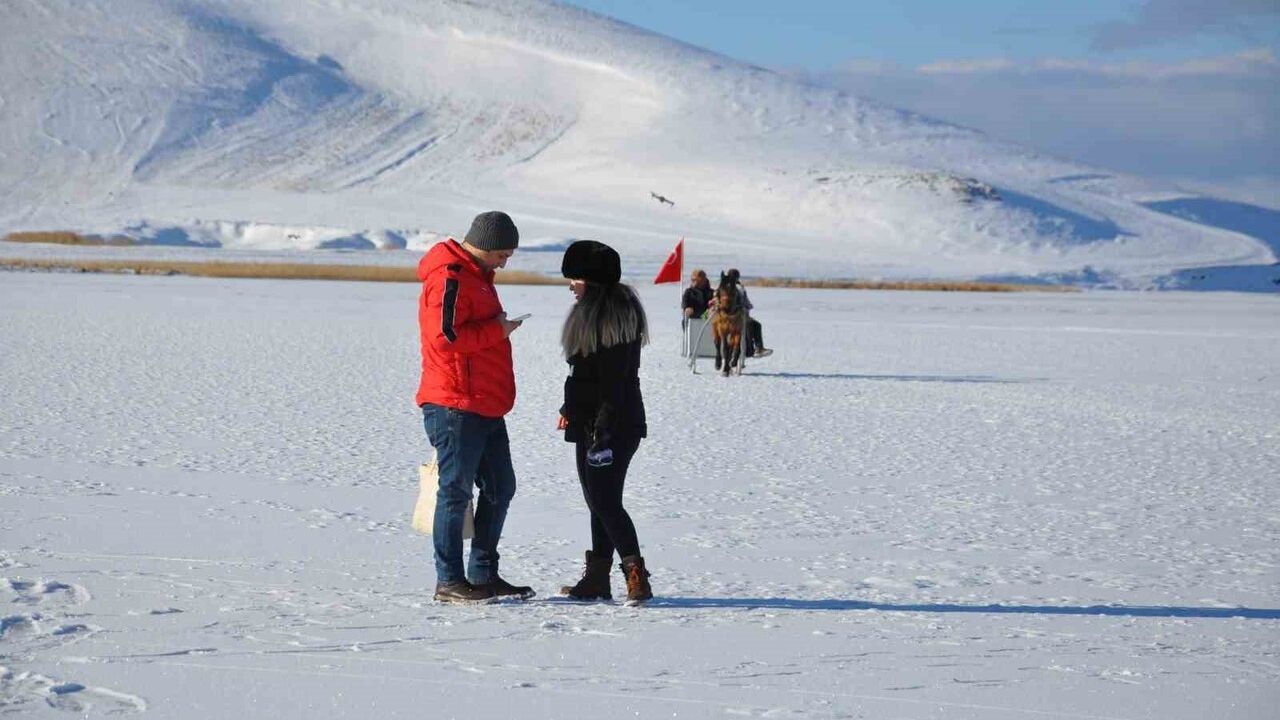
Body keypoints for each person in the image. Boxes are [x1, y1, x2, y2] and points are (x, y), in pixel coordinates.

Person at [416, 210, 533, 604]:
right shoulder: (450, 276)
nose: (505, 261)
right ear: (485, 245)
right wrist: (497, 330)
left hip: (484, 402)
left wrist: (497, 325)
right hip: (454, 403)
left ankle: (482, 573)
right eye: (503, 253)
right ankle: (448, 580)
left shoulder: (478, 278)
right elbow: (445, 337)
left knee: (501, 487)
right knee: (454, 491)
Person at [555, 240, 654, 605]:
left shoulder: (615, 319)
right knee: (597, 499)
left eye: (576, 278)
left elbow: (614, 385)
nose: (571, 285)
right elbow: (583, 376)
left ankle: (635, 574)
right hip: (590, 423)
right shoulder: (590, 314)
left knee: (605, 500)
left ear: (593, 282)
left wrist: (603, 430)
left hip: (614, 425)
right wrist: (570, 408)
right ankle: (597, 578)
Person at [723, 268, 772, 358]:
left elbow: (745, 302)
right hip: (732, 317)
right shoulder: (733, 287)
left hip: (738, 315)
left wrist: (747, 306)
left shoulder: (735, 287)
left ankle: (757, 348)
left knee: (755, 325)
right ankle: (750, 349)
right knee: (750, 325)